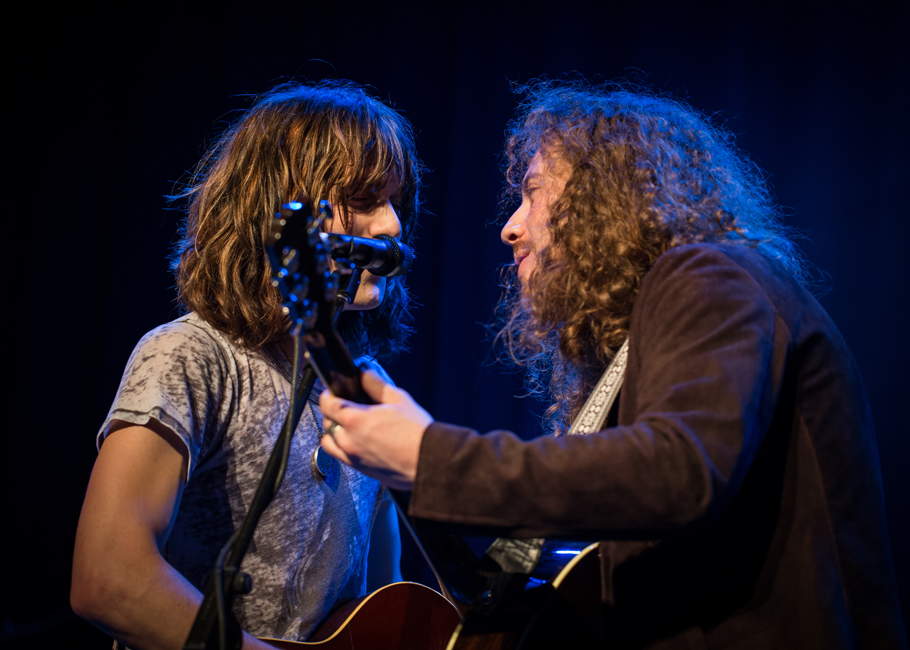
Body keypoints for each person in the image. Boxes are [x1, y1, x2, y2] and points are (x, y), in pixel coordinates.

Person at [318, 83, 907, 648]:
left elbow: (676, 471)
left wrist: (431, 455)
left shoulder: (709, 276)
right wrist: (408, 468)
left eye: (532, 192)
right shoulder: (665, 321)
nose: (511, 226)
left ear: (602, 197)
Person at [71, 80, 422, 649]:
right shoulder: (190, 356)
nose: (392, 227)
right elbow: (107, 578)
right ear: (289, 211)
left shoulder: (369, 396)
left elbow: (385, 615)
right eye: (364, 200)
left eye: (394, 202)